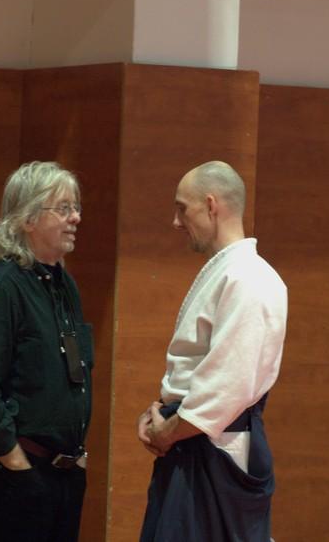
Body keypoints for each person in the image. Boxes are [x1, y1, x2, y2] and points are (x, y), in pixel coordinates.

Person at [137, 160, 288, 542]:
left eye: (182, 208)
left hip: (215, 449)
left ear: (210, 205)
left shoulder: (250, 278)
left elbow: (229, 383)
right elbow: (196, 370)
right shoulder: (228, 273)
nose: (175, 222)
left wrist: (169, 429)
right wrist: (160, 413)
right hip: (192, 439)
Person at [0, 161, 93, 542]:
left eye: (76, 207)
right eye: (63, 208)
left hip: (64, 476)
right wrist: (18, 466)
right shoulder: (0, 289)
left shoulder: (64, 286)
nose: (76, 218)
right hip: (14, 478)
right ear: (28, 218)